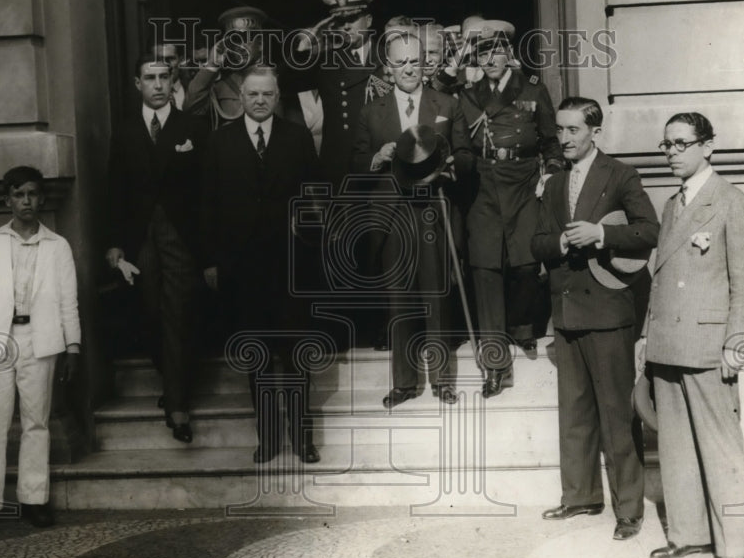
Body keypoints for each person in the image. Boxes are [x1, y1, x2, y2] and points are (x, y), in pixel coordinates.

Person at [639, 112, 744, 558]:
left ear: (708, 147)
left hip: (709, 345)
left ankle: (735, 548)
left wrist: (736, 343)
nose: (672, 152)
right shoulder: (672, 205)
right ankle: (688, 534)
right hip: (669, 343)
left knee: (719, 447)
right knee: (675, 447)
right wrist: (648, 336)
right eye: (666, 145)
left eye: (682, 144)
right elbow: (662, 280)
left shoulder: (731, 202)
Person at [531, 97, 658, 540]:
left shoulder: (621, 174)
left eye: (573, 130)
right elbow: (537, 244)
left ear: (594, 131)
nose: (564, 139)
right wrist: (563, 245)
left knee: (617, 414)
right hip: (565, 311)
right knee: (575, 413)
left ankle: (629, 510)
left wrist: (601, 234)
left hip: (607, 310)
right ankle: (580, 497)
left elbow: (649, 229)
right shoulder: (552, 185)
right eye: (560, 131)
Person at [201, 65, 322, 464]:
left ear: (277, 96)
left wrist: (303, 228)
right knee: (257, 354)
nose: (258, 100)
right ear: (241, 97)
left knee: (296, 354)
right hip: (243, 268)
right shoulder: (220, 142)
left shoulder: (297, 138)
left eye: (266, 94)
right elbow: (209, 207)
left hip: (290, 265)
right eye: (251, 94)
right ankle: (268, 437)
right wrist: (212, 262)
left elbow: (315, 194)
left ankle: (303, 438)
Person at [352, 32, 472, 407]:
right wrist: (376, 157)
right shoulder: (372, 111)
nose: (408, 68)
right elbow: (354, 163)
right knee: (399, 300)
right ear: (388, 68)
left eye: (414, 61)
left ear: (426, 64)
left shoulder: (447, 104)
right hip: (392, 214)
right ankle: (404, 382)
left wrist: (453, 164)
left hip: (432, 210)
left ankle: (442, 381)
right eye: (400, 62)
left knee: (437, 298)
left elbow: (468, 155)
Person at [0, 166, 81, 532]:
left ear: (41, 198)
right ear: (8, 200)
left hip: (40, 341)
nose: (26, 201)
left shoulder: (57, 246)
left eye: (32, 194)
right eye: (18, 195)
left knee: (36, 422)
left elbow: (68, 301)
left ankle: (34, 499)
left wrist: (73, 347)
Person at [106, 53, 207, 444]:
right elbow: (114, 190)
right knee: (150, 312)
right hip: (139, 237)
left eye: (166, 77)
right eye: (150, 78)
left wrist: (207, 247)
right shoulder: (126, 131)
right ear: (138, 84)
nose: (159, 84)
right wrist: (113, 244)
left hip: (181, 236)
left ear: (173, 81)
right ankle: (173, 381)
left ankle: (179, 406)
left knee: (178, 313)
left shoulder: (192, 127)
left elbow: (205, 192)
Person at [461, 20, 564, 397]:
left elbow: (551, 143)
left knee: (524, 265)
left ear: (509, 53)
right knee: (486, 272)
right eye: (482, 52)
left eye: (496, 51)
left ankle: (522, 328)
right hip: (484, 187)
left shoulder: (532, 90)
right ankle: (495, 365)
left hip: (523, 185)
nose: (490, 58)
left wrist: (550, 175)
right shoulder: (468, 95)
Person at [285, 0, 391, 189]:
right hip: (341, 168)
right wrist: (305, 45)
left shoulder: (388, 55)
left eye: (352, 18)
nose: (347, 26)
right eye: (340, 22)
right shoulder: (327, 61)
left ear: (368, 21)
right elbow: (287, 84)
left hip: (383, 162)